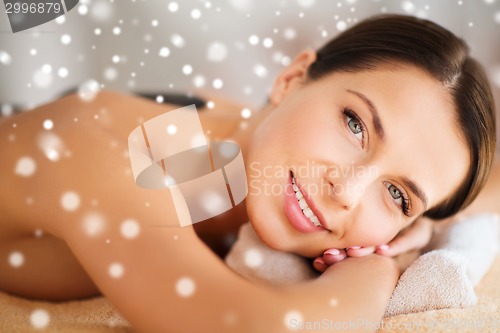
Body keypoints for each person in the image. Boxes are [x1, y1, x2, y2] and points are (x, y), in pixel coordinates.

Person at [0, 14, 497, 332]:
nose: (346, 190)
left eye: (397, 194)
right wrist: (374, 269)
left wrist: (418, 226)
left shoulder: (248, 144)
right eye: (355, 125)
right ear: (290, 79)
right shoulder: (104, 155)